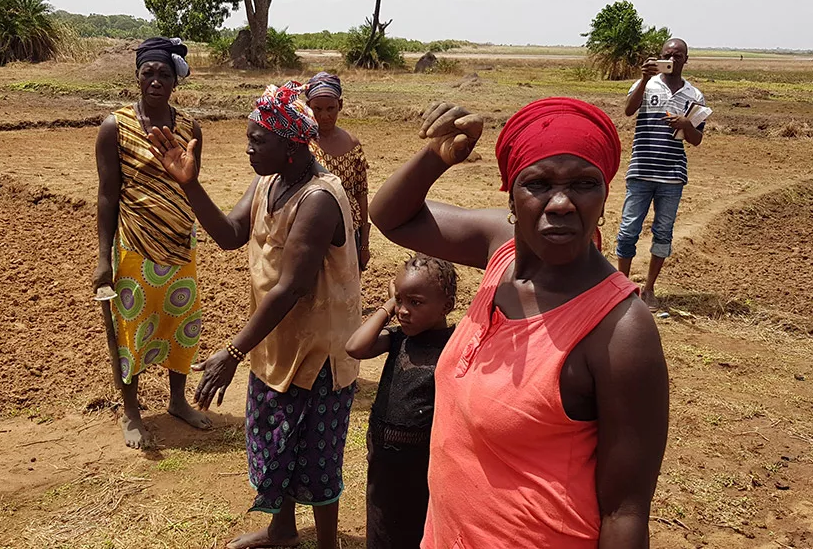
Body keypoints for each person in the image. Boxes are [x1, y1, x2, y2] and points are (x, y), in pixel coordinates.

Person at [370, 98, 670, 548]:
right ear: (511, 195)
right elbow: (390, 217)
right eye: (539, 183)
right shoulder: (502, 250)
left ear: (606, 194)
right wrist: (436, 155)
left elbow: (624, 510)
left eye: (585, 183)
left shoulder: (618, 328)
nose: (563, 203)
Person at [147, 81, 361, 549]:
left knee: (319, 456)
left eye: (257, 140)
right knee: (274, 442)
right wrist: (190, 183)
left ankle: (328, 544)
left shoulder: (319, 198)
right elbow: (229, 234)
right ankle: (282, 531)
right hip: (275, 338)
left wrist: (231, 351)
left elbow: (292, 286)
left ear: (290, 145)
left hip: (319, 348)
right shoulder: (268, 181)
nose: (247, 149)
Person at [93, 37, 212, 450]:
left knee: (183, 325)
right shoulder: (115, 127)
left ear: (175, 80)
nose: (156, 81)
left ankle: (178, 400)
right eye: (149, 73)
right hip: (133, 247)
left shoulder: (190, 128)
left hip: (180, 244)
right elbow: (107, 194)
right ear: (137, 77)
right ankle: (131, 412)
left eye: (164, 73)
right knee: (131, 331)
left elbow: (191, 185)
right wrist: (101, 258)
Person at [344, 254, 458, 549]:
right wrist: (387, 307)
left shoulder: (454, 345)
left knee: (419, 529)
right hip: (383, 459)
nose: (404, 311)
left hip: (424, 464)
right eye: (400, 301)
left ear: (447, 306)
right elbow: (355, 347)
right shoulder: (398, 339)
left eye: (415, 303)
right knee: (382, 527)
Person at [617, 37, 706, 309]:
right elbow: (628, 110)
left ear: (686, 59)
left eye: (678, 55)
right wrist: (643, 80)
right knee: (628, 230)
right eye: (668, 55)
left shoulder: (695, 96)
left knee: (663, 233)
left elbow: (697, 140)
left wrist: (685, 124)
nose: (673, 59)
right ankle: (621, 287)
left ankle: (649, 289)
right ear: (660, 57)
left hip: (672, 175)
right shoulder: (646, 85)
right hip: (641, 169)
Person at [306, 72, 372, 271]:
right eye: (317, 109)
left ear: (340, 105)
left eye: (331, 108)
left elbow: (361, 193)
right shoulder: (303, 144)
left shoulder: (352, 145)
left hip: (349, 230)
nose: (324, 116)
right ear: (308, 107)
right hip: (310, 228)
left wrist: (364, 243)